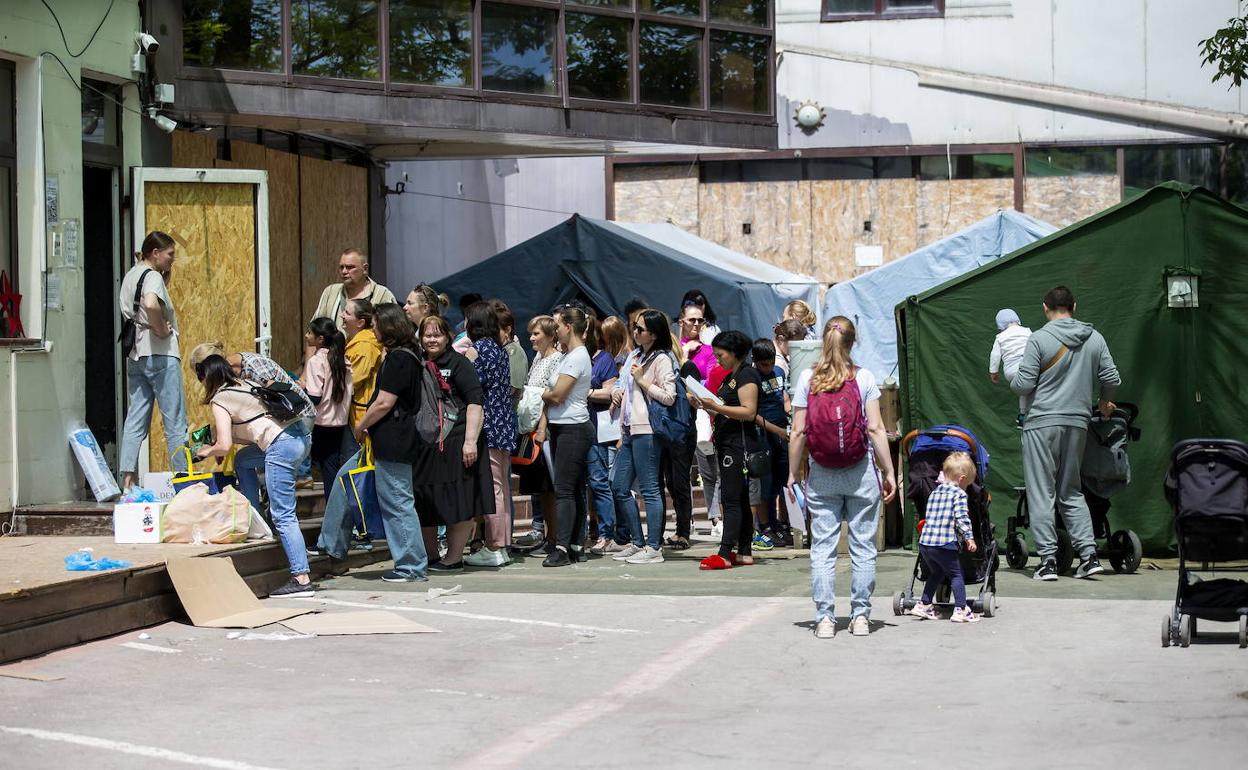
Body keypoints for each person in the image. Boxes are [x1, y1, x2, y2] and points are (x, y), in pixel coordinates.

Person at [787, 316, 897, 639]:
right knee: (863, 546)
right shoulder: (863, 378)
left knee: (823, 547)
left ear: (823, 341)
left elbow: (797, 432)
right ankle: (860, 616)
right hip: (860, 470)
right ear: (853, 342)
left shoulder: (807, 378)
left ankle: (824, 619)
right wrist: (888, 470)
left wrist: (793, 473)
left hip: (822, 473)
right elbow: (876, 428)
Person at [1010, 286, 1120, 582]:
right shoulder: (1094, 338)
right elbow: (1111, 377)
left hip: (1041, 422)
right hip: (1078, 422)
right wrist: (1103, 400)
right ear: (1075, 306)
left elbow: (1023, 385)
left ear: (1046, 307)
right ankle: (1089, 555)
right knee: (1071, 490)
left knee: (1041, 491)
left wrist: (1012, 375)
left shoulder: (1039, 339)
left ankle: (1047, 561)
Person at [317, 303, 429, 583]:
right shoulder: (405, 355)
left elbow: (384, 402)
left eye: (376, 324)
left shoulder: (399, 359)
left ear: (388, 327)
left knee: (398, 502)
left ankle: (411, 566)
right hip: (383, 441)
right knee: (345, 480)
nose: (373, 328)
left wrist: (360, 424)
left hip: (392, 440)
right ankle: (331, 547)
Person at [193, 354, 313, 597]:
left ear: (208, 378)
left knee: (284, 515)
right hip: (301, 437)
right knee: (243, 460)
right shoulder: (245, 384)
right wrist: (219, 440)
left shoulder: (220, 399)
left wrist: (206, 450)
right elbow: (251, 428)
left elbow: (224, 445)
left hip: (281, 446)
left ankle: (301, 578)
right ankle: (255, 517)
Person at [413, 315, 492, 573]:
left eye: (437, 334)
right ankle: (432, 554)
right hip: (426, 445)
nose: (432, 339)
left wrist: (470, 441)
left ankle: (454, 557)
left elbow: (475, 402)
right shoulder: (417, 362)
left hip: (457, 441)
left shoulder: (459, 363)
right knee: (424, 497)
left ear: (448, 337)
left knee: (459, 499)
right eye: (427, 335)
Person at [119, 231, 188, 490]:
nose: (173, 259)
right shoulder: (153, 277)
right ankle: (182, 479)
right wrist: (161, 329)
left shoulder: (130, 275)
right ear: (155, 253)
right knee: (175, 420)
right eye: (170, 254)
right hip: (161, 354)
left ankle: (128, 478)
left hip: (137, 355)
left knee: (135, 418)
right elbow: (150, 303)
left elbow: (138, 306)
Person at [689, 331, 762, 570]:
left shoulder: (747, 374)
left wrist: (714, 406)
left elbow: (748, 411)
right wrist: (705, 405)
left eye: (721, 355)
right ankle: (743, 551)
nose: (718, 359)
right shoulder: (732, 377)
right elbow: (723, 410)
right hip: (727, 441)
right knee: (738, 498)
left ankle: (724, 551)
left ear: (733, 353)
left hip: (738, 446)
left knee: (730, 498)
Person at [609, 309, 677, 565]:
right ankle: (637, 541)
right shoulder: (634, 355)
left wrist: (644, 382)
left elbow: (669, 396)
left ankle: (653, 546)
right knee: (618, 485)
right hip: (628, 429)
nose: (635, 332)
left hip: (647, 430)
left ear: (654, 333)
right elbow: (621, 382)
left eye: (640, 329)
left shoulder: (662, 359)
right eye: (634, 328)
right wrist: (617, 392)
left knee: (649, 489)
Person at [540, 306, 596, 567]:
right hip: (565, 425)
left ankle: (562, 547)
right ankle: (574, 544)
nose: (555, 329)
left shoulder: (576, 357)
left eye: (558, 324)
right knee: (571, 489)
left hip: (573, 427)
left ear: (568, 327)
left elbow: (557, 394)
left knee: (564, 489)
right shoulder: (570, 355)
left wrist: (539, 394)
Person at [463, 301, 517, 569]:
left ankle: (494, 545)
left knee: (493, 487)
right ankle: (502, 544)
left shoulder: (477, 351)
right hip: (505, 423)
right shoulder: (499, 350)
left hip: (489, 424)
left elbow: (471, 387)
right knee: (502, 486)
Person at [909, 452, 980, 623]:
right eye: (968, 484)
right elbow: (962, 518)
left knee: (937, 572)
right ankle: (961, 609)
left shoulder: (935, 492)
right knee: (956, 574)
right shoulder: (959, 494)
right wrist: (969, 538)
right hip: (945, 542)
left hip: (926, 543)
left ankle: (923, 604)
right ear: (962, 479)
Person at [514, 316, 562, 550]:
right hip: (531, 427)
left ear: (551, 336)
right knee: (541, 489)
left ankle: (555, 538)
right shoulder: (537, 357)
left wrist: (543, 428)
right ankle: (547, 536)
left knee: (550, 487)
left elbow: (550, 397)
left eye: (537, 334)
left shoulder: (556, 360)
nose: (532, 338)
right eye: (531, 333)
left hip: (546, 430)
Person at [299, 318, 351, 499]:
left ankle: (330, 510)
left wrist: (298, 393)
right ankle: (334, 509)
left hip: (321, 422)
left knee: (317, 464)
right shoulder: (343, 360)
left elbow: (315, 396)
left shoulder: (316, 361)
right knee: (332, 468)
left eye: (310, 333)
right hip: (340, 421)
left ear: (320, 339)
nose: (306, 336)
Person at [752, 338, 792, 547]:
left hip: (782, 432)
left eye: (769, 363)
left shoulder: (779, 372)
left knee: (781, 478)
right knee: (765, 483)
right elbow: (752, 413)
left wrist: (792, 414)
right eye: (763, 365)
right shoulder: (751, 378)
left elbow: (783, 398)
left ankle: (777, 523)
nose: (767, 368)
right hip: (762, 434)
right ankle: (765, 524)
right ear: (755, 361)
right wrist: (774, 429)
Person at [587, 317, 622, 554]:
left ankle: (607, 533)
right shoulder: (570, 356)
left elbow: (611, 392)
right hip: (574, 426)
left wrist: (586, 392)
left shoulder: (604, 359)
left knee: (599, 481)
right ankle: (587, 530)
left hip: (597, 429)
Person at [311, 247, 396, 336]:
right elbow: (314, 331)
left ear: (365, 269)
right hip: (333, 349)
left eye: (350, 267)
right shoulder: (331, 292)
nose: (344, 271)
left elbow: (393, 334)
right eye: (341, 267)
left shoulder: (383, 295)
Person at [342, 299, 384, 451]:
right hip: (355, 411)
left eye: (347, 313)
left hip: (362, 414)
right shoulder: (354, 341)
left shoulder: (364, 346)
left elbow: (353, 381)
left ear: (360, 322)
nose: (342, 315)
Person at [989, 308, 1034, 427]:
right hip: (1029, 366)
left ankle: (1022, 415)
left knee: (1023, 391)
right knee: (1031, 388)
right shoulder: (1027, 331)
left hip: (1011, 371)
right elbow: (1036, 346)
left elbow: (995, 355)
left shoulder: (1000, 337)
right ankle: (1029, 413)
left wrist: (993, 372)